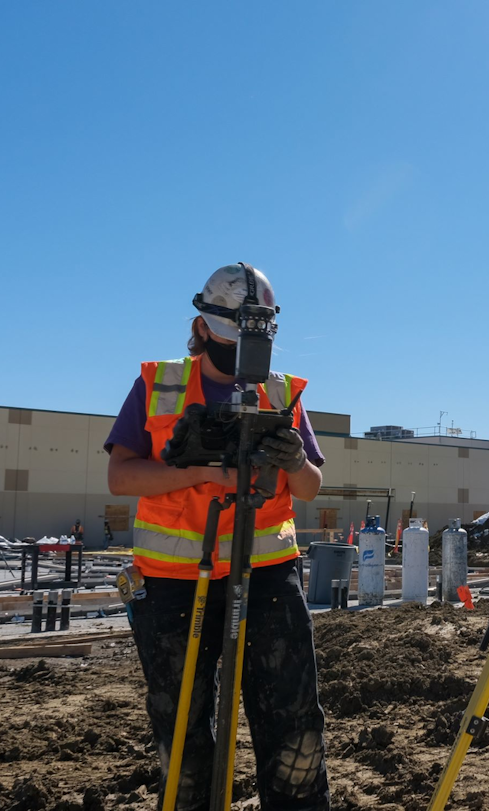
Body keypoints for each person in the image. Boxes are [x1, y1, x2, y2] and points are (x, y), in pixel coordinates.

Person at [105, 263, 330, 810]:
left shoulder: (280, 391)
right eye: (233, 337)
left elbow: (309, 489)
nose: (242, 353)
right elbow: (121, 476)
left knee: (292, 718)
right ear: (203, 327)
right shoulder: (160, 385)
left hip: (268, 577)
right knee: (182, 725)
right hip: (173, 584)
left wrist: (296, 458)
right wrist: (201, 472)